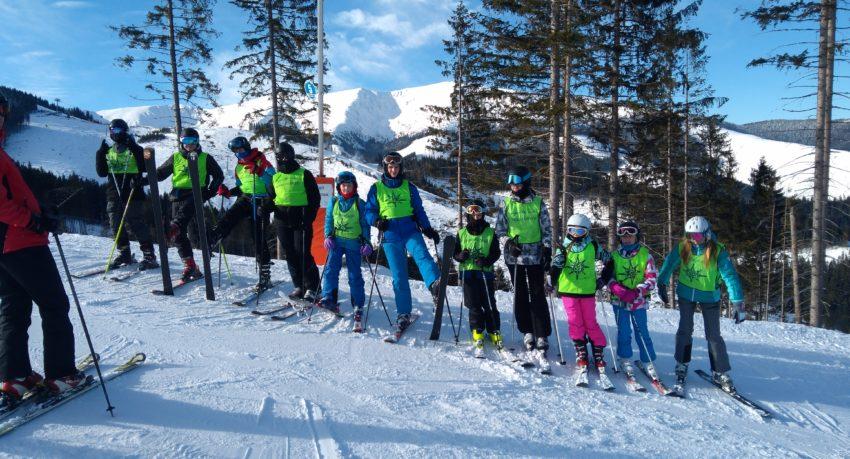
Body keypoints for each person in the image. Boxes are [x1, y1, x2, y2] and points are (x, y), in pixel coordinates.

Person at [0, 94, 85, 408]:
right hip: (21, 241)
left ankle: (15, 376)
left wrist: (38, 211)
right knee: (54, 304)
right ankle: (62, 374)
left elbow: (12, 194)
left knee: (14, 306)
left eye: (1, 114)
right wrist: (32, 221)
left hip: (8, 244)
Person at [657, 216, 745, 393]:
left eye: (697, 236)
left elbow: (729, 276)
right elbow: (669, 263)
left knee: (713, 335)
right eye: (690, 235)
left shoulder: (718, 252)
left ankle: (720, 372)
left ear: (707, 234)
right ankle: (681, 364)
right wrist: (662, 282)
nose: (693, 240)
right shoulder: (684, 247)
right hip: (685, 295)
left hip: (710, 297)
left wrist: (737, 302)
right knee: (684, 330)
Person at [364, 152, 441, 331]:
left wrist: (427, 228)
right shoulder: (376, 188)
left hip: (409, 230)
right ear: (385, 168)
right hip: (390, 235)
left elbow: (419, 210)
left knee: (423, 256)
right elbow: (369, 211)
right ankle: (403, 313)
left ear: (401, 168)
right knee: (399, 275)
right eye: (390, 167)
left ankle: (435, 285)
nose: (393, 170)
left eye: (396, 167)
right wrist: (376, 221)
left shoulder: (409, 187)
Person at [148, 127, 223, 282]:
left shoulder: (204, 157)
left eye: (192, 142)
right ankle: (191, 266)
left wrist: (211, 191)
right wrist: (145, 178)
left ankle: (174, 227)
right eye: (185, 142)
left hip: (197, 193)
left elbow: (218, 175)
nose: (189, 145)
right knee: (178, 236)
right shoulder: (175, 157)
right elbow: (161, 174)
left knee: (183, 225)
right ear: (181, 143)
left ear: (197, 142)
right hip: (177, 195)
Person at [494, 165, 552, 352]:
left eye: (517, 183)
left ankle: (541, 332)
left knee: (537, 292)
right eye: (511, 184)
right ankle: (526, 330)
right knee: (520, 292)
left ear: (526, 182)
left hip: (535, 253)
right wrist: (508, 243)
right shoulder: (506, 203)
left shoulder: (538, 202)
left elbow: (546, 228)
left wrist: (547, 248)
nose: (514, 187)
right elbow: (500, 230)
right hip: (515, 255)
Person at [207, 136, 275, 291]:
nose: (239, 153)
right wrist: (228, 193)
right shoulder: (239, 167)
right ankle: (212, 239)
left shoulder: (261, 160)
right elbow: (242, 187)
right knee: (229, 217)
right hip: (246, 198)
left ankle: (265, 275)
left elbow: (273, 180)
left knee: (257, 236)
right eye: (235, 151)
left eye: (240, 149)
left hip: (261, 200)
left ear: (247, 147)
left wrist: (259, 171)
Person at [550, 214, 613, 373]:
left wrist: (603, 279)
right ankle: (581, 351)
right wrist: (551, 280)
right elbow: (556, 265)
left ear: (587, 231)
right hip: (569, 291)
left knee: (590, 322)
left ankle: (598, 352)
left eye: (579, 231)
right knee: (575, 321)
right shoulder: (564, 247)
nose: (575, 234)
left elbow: (610, 261)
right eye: (572, 230)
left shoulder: (592, 245)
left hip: (587, 291)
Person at [95, 118, 158, 270]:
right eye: (112, 131)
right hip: (113, 192)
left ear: (125, 131)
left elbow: (144, 167)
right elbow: (102, 173)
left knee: (135, 222)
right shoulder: (109, 151)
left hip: (132, 192)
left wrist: (135, 148)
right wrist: (100, 153)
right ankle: (124, 253)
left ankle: (149, 255)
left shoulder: (134, 148)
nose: (115, 134)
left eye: (118, 131)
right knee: (115, 223)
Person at [607, 220, 661, 380]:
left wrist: (638, 290)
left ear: (637, 236)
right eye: (623, 235)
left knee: (641, 331)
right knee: (624, 331)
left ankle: (648, 361)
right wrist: (616, 288)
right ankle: (624, 358)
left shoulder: (645, 255)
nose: (627, 238)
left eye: (631, 234)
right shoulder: (614, 256)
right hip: (620, 301)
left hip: (638, 301)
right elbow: (607, 277)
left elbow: (651, 278)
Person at [320, 171, 372, 327]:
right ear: (339, 187)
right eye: (343, 185)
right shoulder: (334, 201)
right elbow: (329, 219)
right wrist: (328, 236)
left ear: (354, 187)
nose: (346, 188)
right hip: (336, 242)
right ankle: (329, 298)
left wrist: (366, 242)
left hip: (354, 243)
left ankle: (358, 304)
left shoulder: (359, 203)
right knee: (330, 270)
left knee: (354, 274)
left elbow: (364, 225)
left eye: (349, 185)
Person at [271, 142, 320, 301]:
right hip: (282, 220)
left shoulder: (303, 174)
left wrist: (308, 218)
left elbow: (314, 198)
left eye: (285, 156)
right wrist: (265, 207)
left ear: (291, 155)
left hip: (301, 220)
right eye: (279, 157)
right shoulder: (276, 177)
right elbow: (271, 198)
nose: (283, 159)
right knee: (290, 254)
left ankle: (313, 287)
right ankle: (299, 285)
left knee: (303, 253)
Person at [453, 200, 502, 357]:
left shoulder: (490, 233)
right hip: (468, 273)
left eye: (479, 212)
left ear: (483, 214)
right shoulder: (461, 233)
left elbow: (496, 252)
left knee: (488, 302)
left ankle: (494, 330)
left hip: (484, 272)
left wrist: (486, 261)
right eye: (472, 212)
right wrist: (461, 256)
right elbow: (455, 253)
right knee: (473, 303)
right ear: (468, 214)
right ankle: (477, 330)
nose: (476, 215)